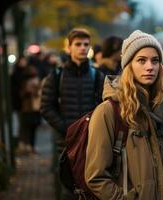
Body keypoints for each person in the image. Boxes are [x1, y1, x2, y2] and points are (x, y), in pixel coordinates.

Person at [85, 30, 163, 200]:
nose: (150, 66)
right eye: (141, 60)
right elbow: (96, 176)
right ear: (128, 65)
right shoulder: (108, 112)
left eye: (155, 60)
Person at [40, 28, 104, 199]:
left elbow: (104, 106)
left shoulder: (97, 76)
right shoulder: (56, 75)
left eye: (86, 44)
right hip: (66, 141)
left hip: (92, 140)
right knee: (67, 187)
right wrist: (67, 129)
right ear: (69, 48)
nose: (82, 48)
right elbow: (46, 107)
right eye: (78, 44)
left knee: (92, 186)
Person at [20, 65, 41, 154]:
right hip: (30, 109)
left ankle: (29, 146)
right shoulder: (28, 83)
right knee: (30, 128)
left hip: (30, 109)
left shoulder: (29, 82)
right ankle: (29, 146)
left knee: (30, 128)